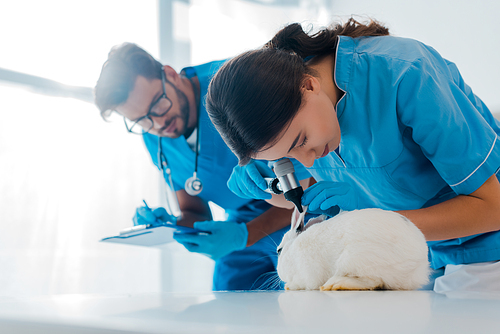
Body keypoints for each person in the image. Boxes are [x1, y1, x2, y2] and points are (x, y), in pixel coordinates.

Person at [206, 18, 500, 290]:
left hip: (485, 250)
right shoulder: (312, 118)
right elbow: (313, 192)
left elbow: (493, 208)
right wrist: (268, 191)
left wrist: (371, 224)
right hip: (411, 259)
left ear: (308, 85)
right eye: (289, 156)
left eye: (301, 141)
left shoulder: (404, 73)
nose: (308, 160)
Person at [94, 43, 297, 291]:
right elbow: (195, 211)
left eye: (157, 105)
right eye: (141, 120)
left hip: (297, 208)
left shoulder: (235, 83)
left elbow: (308, 184)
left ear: (170, 74)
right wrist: (172, 225)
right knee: (228, 299)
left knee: (299, 285)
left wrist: (246, 235)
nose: (158, 123)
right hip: (241, 223)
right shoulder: (154, 137)